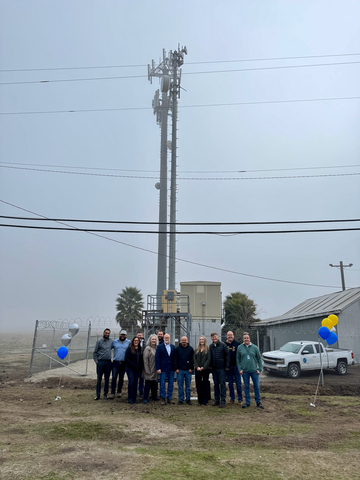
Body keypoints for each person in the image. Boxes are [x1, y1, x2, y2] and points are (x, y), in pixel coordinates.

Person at [236, 332, 264, 409]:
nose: (246, 339)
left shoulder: (255, 347)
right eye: (244, 338)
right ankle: (247, 402)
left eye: (247, 338)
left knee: (256, 386)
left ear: (249, 339)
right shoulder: (240, 347)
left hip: (254, 371)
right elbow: (237, 359)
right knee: (246, 386)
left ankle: (258, 402)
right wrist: (240, 369)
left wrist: (259, 369)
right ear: (243, 339)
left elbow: (259, 359)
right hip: (245, 371)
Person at [209, 332, 229, 408]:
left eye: (215, 337)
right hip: (214, 369)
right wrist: (210, 367)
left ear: (217, 337)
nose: (214, 338)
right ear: (211, 338)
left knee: (222, 385)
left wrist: (227, 366)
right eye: (212, 337)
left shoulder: (223, 345)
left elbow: (227, 356)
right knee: (216, 385)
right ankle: (216, 400)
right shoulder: (210, 347)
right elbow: (210, 357)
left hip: (222, 369)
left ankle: (223, 401)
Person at [155, 333, 176, 405]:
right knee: (162, 384)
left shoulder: (173, 347)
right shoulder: (159, 347)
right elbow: (157, 358)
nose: (167, 339)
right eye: (165, 337)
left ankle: (169, 398)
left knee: (171, 384)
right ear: (163, 338)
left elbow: (174, 358)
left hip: (171, 369)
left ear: (170, 339)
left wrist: (174, 367)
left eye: (168, 337)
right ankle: (163, 398)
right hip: (162, 369)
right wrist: (158, 368)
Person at [93, 328, 112, 400]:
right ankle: (98, 394)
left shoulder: (111, 341)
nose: (107, 334)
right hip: (100, 362)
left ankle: (105, 394)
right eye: (106, 333)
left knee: (107, 379)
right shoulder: (99, 342)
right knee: (99, 379)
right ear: (103, 333)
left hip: (108, 362)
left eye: (108, 333)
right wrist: (97, 362)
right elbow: (95, 353)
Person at [174, 336, 194, 405]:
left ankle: (188, 399)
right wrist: (176, 368)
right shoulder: (177, 349)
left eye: (185, 340)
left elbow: (192, 359)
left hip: (188, 370)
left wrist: (191, 368)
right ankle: (181, 399)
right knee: (180, 386)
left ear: (187, 341)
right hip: (180, 371)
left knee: (188, 386)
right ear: (180, 341)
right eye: (182, 340)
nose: (184, 341)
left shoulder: (190, 349)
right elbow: (175, 359)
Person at [110, 329, 130, 398]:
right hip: (115, 362)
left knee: (121, 378)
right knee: (114, 377)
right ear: (119, 335)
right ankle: (112, 393)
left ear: (126, 335)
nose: (122, 336)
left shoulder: (129, 342)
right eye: (121, 334)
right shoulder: (114, 342)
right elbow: (109, 349)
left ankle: (119, 392)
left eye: (124, 335)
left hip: (124, 363)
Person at [225, 331, 243, 404]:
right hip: (228, 367)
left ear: (233, 336)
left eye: (231, 335)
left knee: (238, 383)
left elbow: (240, 355)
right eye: (228, 335)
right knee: (230, 383)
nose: (230, 336)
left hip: (236, 366)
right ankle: (232, 398)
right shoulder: (224, 344)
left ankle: (240, 399)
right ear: (226, 336)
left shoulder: (237, 344)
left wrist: (240, 366)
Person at [125, 336, 143, 404]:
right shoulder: (129, 349)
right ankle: (130, 397)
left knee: (136, 383)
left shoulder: (140, 349)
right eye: (135, 340)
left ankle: (134, 397)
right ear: (133, 341)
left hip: (138, 369)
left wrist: (140, 366)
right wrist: (132, 365)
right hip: (130, 369)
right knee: (131, 382)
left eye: (137, 340)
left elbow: (141, 359)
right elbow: (127, 358)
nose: (136, 342)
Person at [194, 336, 211, 406]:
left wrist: (203, 367)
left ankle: (205, 400)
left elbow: (209, 359)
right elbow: (194, 358)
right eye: (200, 339)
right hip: (197, 370)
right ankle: (200, 400)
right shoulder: (196, 349)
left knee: (205, 384)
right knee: (198, 384)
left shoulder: (208, 349)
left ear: (205, 340)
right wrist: (197, 366)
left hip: (205, 369)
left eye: (203, 339)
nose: (201, 340)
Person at [142, 334, 159, 403]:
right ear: (150, 340)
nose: (154, 340)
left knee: (154, 384)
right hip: (149, 369)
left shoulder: (157, 348)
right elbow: (145, 360)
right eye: (152, 339)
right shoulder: (147, 348)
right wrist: (147, 370)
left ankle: (154, 396)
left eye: (155, 339)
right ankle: (145, 398)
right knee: (148, 384)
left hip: (155, 369)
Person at [136, 332, 145, 397]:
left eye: (140, 335)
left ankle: (141, 391)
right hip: (136, 364)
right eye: (138, 335)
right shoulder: (134, 343)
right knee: (135, 379)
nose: (139, 336)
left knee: (142, 379)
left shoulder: (145, 343)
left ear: (142, 336)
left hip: (143, 364)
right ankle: (134, 391)